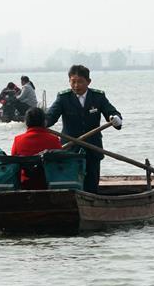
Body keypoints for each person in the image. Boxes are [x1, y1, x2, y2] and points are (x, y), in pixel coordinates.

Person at [44, 64, 122, 193]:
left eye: (80, 82)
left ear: (88, 82)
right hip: (70, 150)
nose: (76, 85)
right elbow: (51, 117)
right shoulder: (63, 98)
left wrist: (115, 119)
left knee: (91, 186)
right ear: (69, 81)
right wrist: (42, 123)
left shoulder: (98, 97)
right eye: (73, 82)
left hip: (93, 148)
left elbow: (112, 113)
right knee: (70, 186)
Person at [10, 107, 61, 189]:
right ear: (44, 122)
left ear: (26, 123)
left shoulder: (18, 140)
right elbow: (60, 161)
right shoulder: (54, 139)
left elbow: (13, 162)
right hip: (48, 182)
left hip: (25, 184)